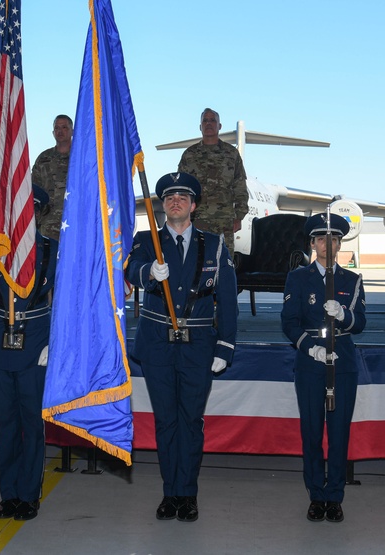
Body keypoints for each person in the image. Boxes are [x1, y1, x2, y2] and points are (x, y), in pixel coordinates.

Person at [125, 172, 238, 523]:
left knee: (190, 421)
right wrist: (147, 272)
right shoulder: (146, 240)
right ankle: (169, 492)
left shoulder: (215, 245)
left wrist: (225, 347)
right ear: (162, 204)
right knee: (166, 421)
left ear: (194, 205)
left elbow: (228, 301)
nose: (175, 201)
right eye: (169, 196)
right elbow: (125, 273)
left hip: (198, 346)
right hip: (158, 345)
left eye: (182, 196)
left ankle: (187, 494)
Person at [0, 185, 58, 522]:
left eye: (30, 209)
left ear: (38, 213)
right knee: (5, 423)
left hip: (35, 341)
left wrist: (55, 343)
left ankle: (28, 494)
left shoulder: (51, 249)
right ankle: (9, 495)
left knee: (32, 424)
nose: (23, 216)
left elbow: (64, 301)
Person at [281, 212, 366, 524]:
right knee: (312, 432)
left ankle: (335, 496)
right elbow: (288, 323)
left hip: (343, 361)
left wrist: (344, 314)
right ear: (312, 243)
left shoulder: (352, 280)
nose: (327, 245)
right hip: (310, 361)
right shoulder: (298, 278)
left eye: (333, 239)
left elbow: (361, 323)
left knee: (340, 432)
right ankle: (316, 495)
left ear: (340, 243)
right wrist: (309, 347)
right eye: (320, 239)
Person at [177, 108, 249, 252]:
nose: (208, 123)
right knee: (196, 264)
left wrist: (239, 216)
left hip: (224, 222)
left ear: (219, 126)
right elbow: (181, 188)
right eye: (205, 120)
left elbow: (240, 186)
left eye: (212, 120)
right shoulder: (189, 155)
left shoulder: (231, 154)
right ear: (200, 126)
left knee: (224, 265)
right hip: (196, 220)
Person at [31, 114, 73, 241]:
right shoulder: (43, 159)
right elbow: (33, 191)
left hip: (76, 223)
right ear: (53, 132)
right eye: (57, 128)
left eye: (64, 127)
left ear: (72, 131)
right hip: (48, 226)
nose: (60, 131)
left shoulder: (83, 158)